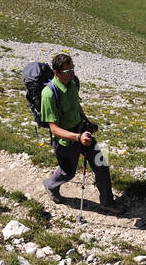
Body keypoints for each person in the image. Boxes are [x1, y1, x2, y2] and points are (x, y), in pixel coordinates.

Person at [39, 53, 125, 213]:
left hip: (83, 132)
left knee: (102, 165)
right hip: (66, 142)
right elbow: (54, 129)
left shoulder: (73, 83)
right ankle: (50, 185)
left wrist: (87, 123)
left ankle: (108, 202)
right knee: (68, 173)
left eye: (73, 69)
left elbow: (76, 106)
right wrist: (78, 137)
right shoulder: (49, 94)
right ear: (56, 72)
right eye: (67, 71)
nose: (72, 73)